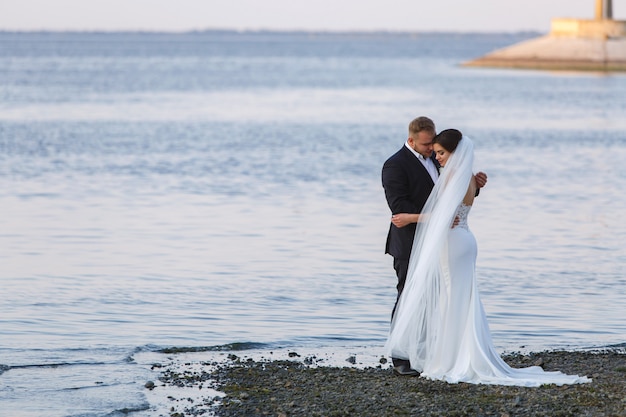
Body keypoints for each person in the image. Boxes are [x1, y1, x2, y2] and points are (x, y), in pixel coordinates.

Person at [385, 129, 591, 386]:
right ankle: (459, 354)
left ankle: (454, 359)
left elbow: (445, 217)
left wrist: (409, 218)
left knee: (453, 301)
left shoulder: (452, 178)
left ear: (454, 152)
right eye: (435, 151)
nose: (436, 156)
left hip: (453, 243)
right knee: (461, 300)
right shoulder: (467, 177)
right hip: (465, 240)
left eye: (441, 152)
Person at [381, 116, 486, 376]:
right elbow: (399, 209)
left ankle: (429, 352)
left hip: (443, 241)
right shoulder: (395, 166)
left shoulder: (442, 161)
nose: (432, 150)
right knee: (409, 295)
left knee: (438, 298)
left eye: (435, 145)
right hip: (409, 243)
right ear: (411, 140)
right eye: (427, 145)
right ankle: (401, 358)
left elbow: (453, 196)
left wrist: (476, 185)